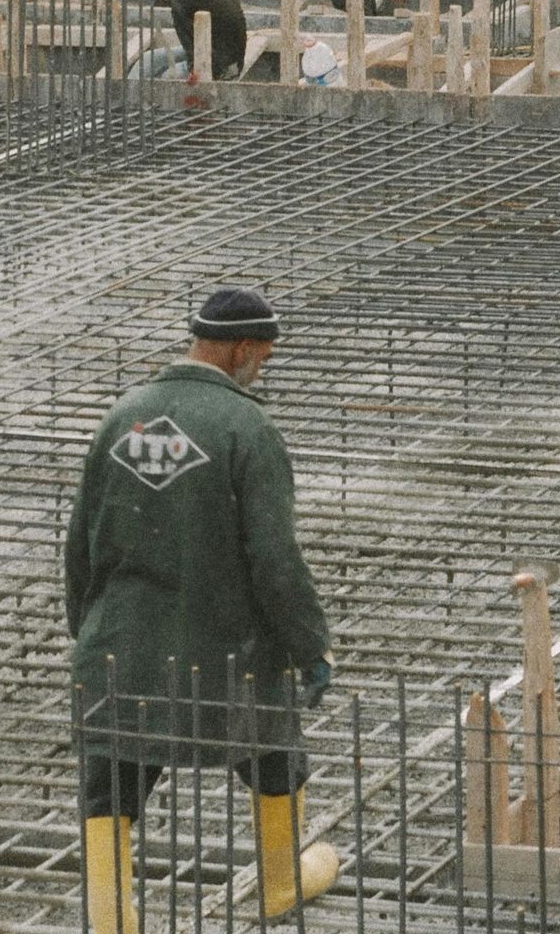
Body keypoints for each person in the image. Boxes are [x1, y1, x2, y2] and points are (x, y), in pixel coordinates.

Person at [66, 288, 338, 932]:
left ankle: (111, 920)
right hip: (226, 652)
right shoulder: (248, 427)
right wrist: (309, 646)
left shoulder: (122, 415)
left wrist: (90, 633)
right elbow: (274, 557)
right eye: (263, 356)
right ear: (240, 348)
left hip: (121, 647)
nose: (263, 367)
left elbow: (80, 541)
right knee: (275, 752)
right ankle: (279, 884)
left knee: (111, 783)